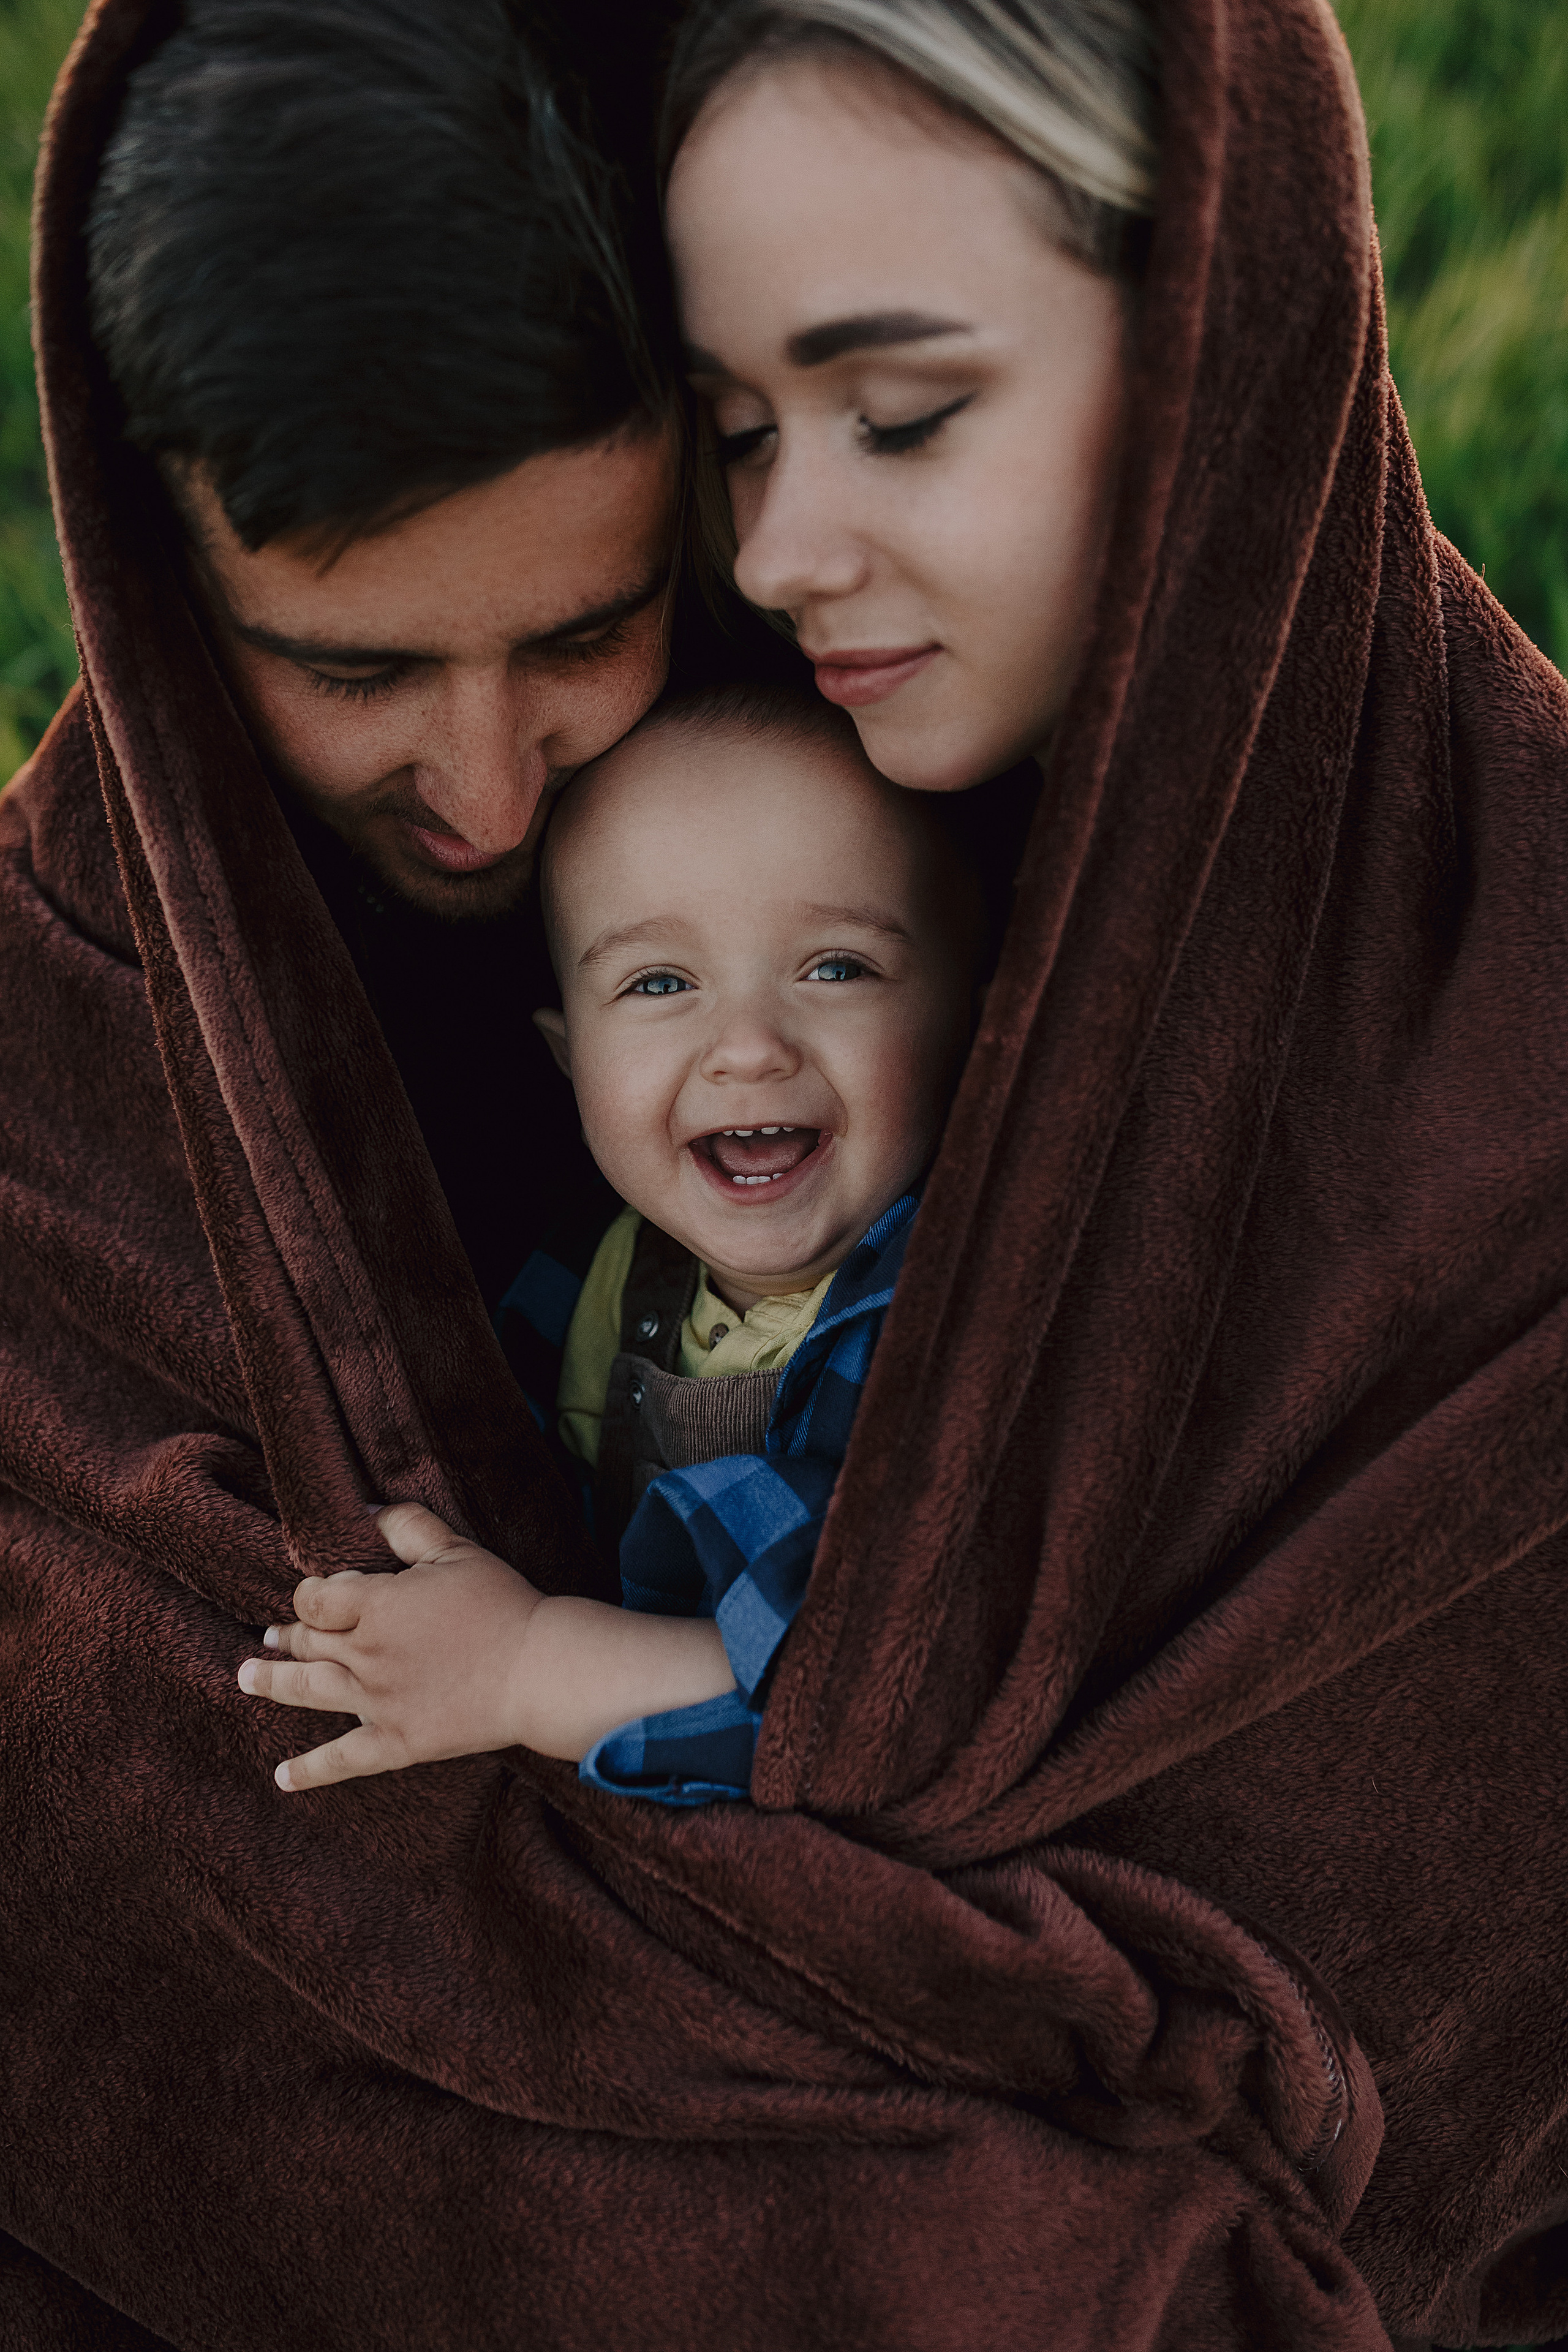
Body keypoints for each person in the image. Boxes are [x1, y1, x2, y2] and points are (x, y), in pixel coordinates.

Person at [7, 4, 1566, 2351]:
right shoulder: (118, 966)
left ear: (1216, 349)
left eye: (904, 414)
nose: (504, 806)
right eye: (740, 436)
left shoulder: (1482, 991)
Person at [235, 685, 984, 1803]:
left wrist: (526, 1665)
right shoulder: (592, 1272)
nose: (745, 1047)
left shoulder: (951, 1306)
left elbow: (866, 1693)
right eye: (660, 982)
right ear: (568, 1060)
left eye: (835, 967)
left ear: (972, 1016)